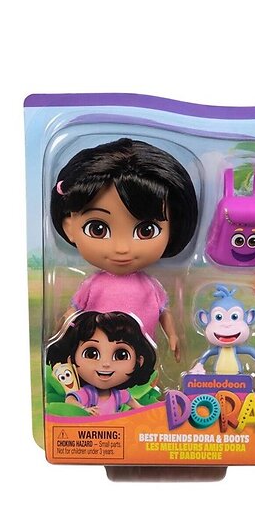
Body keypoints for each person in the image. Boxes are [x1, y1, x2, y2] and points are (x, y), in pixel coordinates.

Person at [50, 138, 198, 360]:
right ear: (69, 227)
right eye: (98, 229)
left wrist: (173, 335)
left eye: (146, 230)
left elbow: (163, 312)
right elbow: (75, 310)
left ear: (173, 228)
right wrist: (62, 328)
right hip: (96, 358)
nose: (122, 248)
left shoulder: (150, 287)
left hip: (142, 358)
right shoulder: (94, 284)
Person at [46, 311, 156, 416]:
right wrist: (84, 409)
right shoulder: (89, 393)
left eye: (120, 355)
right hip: (91, 427)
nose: (106, 364)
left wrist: (145, 410)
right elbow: (70, 400)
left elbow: (132, 402)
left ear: (139, 361)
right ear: (72, 358)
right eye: (91, 354)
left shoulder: (118, 394)